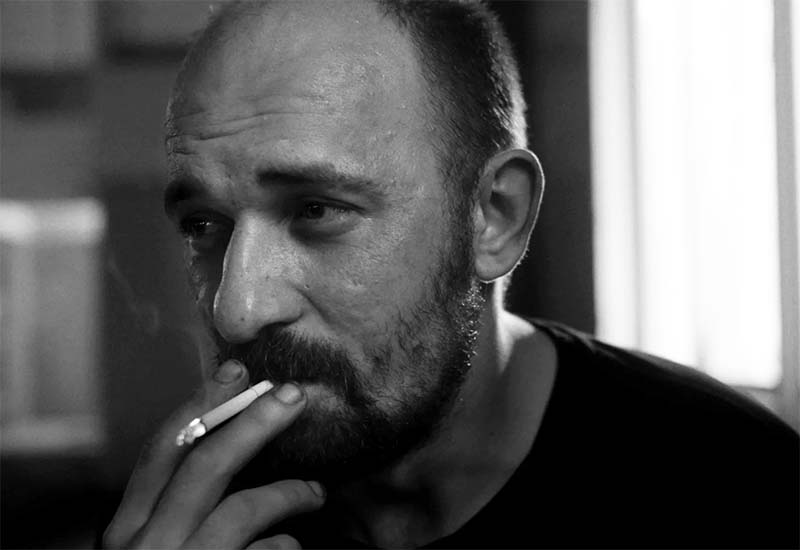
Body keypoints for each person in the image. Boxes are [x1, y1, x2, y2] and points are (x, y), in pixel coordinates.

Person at [103, 1, 799, 548]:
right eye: (203, 224)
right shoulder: (190, 516)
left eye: (316, 210)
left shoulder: (737, 490)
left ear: (495, 217)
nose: (236, 309)